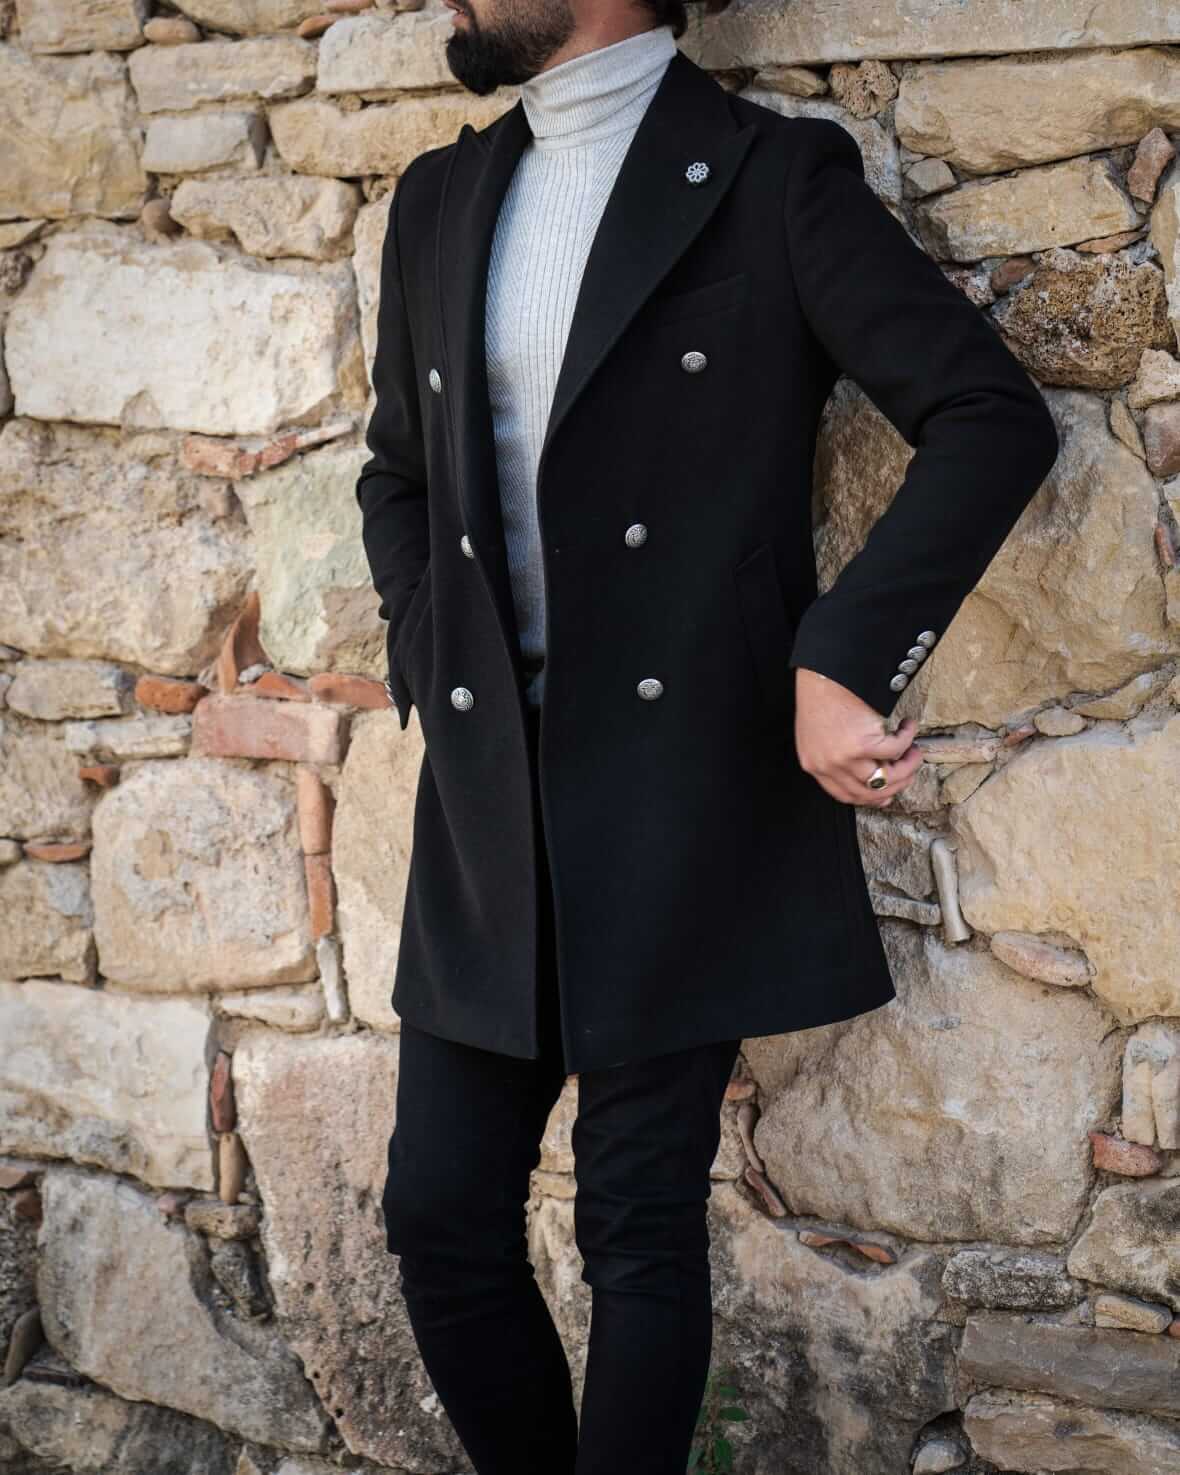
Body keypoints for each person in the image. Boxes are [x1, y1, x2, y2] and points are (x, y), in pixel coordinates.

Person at [354, 2, 1060, 1470]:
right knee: (438, 1209)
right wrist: (431, 647)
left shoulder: (768, 181)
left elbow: (988, 416)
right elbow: (397, 475)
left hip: (680, 784)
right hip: (488, 794)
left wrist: (841, 662)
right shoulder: (440, 198)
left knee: (638, 1225)